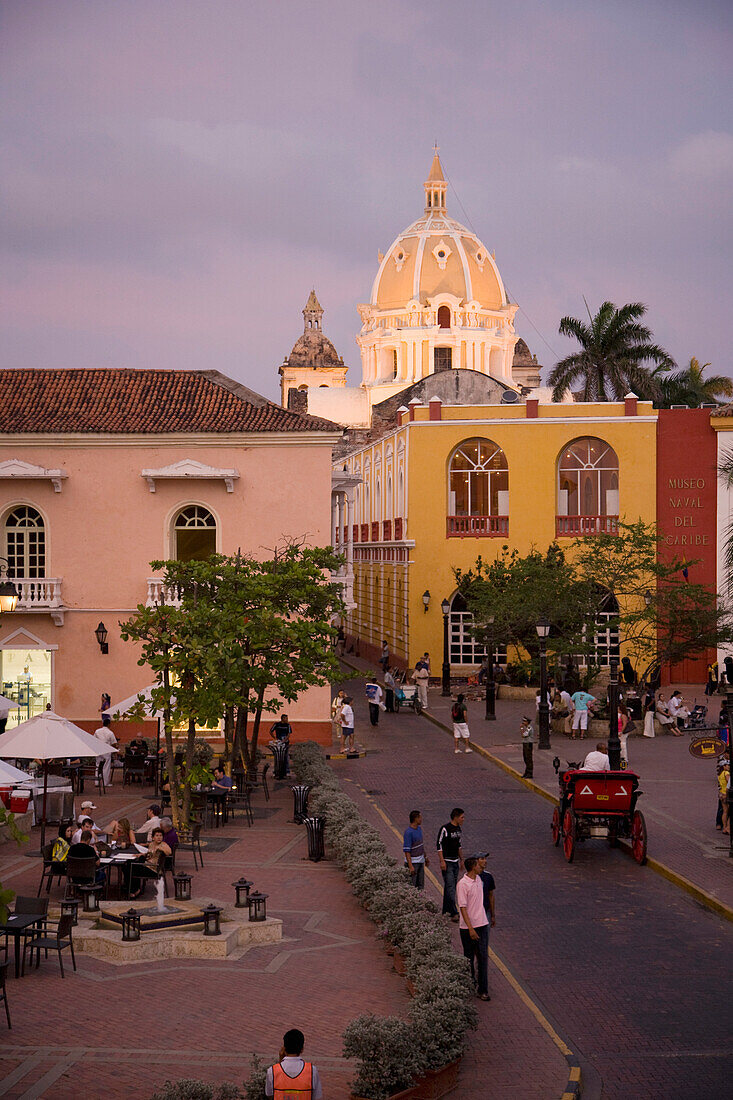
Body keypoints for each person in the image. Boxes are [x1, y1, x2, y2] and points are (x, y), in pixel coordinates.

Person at [456, 856, 490, 1001]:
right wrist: (470, 928)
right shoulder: (463, 884)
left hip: (482, 924)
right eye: (479, 864)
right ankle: (469, 984)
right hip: (468, 928)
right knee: (468, 958)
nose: (481, 866)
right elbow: (462, 907)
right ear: (472, 867)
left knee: (483, 958)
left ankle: (483, 989)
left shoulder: (479, 880)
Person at [265, 1028, 323, 1099]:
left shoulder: (272, 1071)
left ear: (284, 1049)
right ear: (302, 1049)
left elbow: (270, 1095)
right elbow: (317, 1097)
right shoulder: (312, 1071)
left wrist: (281, 1060)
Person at [437, 808, 464, 921]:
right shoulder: (445, 829)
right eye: (462, 817)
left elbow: (459, 845)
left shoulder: (458, 829)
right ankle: (454, 912)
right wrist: (442, 861)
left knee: (449, 888)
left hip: (455, 862)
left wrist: (461, 859)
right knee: (451, 888)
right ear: (456, 817)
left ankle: (446, 911)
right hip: (447, 862)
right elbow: (439, 845)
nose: (463, 819)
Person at [130, 826, 172, 898]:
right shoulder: (152, 844)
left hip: (154, 869)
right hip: (148, 865)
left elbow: (169, 852)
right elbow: (149, 854)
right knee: (130, 864)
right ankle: (132, 888)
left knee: (132, 868)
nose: (159, 837)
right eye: (157, 836)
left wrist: (161, 848)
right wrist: (140, 854)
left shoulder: (163, 844)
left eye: (160, 836)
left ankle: (135, 890)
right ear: (153, 837)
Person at [403, 809, 428, 890]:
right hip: (413, 863)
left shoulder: (419, 829)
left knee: (421, 885)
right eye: (420, 817)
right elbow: (407, 851)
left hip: (420, 861)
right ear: (415, 819)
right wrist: (410, 866)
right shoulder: (408, 832)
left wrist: (425, 857)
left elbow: (421, 845)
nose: (421, 819)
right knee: (412, 885)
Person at [93, 716, 117, 786]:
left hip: (98, 750)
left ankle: (96, 782)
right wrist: (115, 749)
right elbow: (114, 743)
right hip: (107, 751)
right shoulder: (110, 733)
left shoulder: (97, 731)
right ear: (109, 724)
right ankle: (105, 783)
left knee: (98, 766)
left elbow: (93, 740)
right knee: (106, 767)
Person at [618, 701, 631, 766]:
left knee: (623, 744)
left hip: (622, 731)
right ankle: (621, 756)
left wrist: (621, 732)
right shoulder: (619, 715)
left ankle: (624, 758)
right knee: (620, 744)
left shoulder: (623, 715)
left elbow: (624, 724)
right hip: (619, 731)